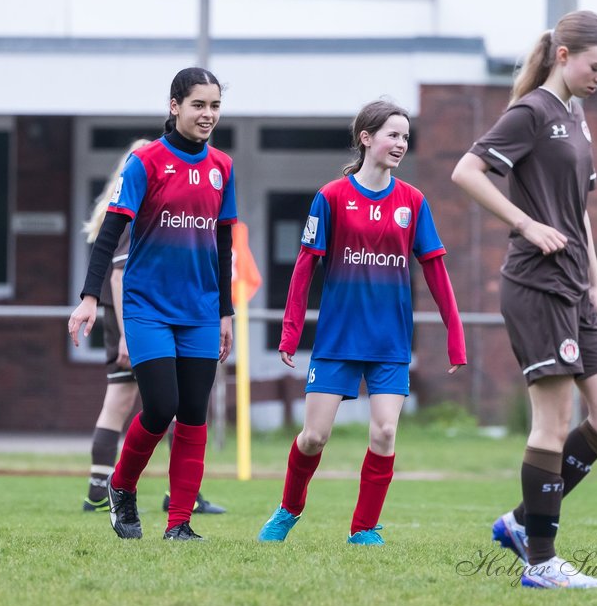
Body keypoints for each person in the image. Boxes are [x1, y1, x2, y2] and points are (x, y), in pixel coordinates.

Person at [450, 9, 597, 589]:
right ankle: (542, 562)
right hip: (537, 283)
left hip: (576, 285)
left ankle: (522, 522)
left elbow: (577, 209)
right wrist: (527, 225)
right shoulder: (530, 113)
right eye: (596, 66)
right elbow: (466, 171)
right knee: (552, 423)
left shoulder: (576, 120)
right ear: (563, 55)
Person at [257, 100, 466, 545]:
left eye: (406, 137)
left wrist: (455, 336)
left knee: (386, 430)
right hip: (337, 339)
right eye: (393, 134)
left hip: (390, 340)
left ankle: (363, 529)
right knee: (314, 437)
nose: (401, 144)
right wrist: (291, 331)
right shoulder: (331, 197)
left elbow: (435, 270)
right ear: (366, 138)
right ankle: (288, 510)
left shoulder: (413, 202)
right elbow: (303, 267)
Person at [68, 67, 236, 541]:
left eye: (215, 106)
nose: (208, 115)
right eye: (198, 105)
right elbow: (106, 239)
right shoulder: (145, 164)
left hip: (201, 310)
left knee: (194, 412)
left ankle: (179, 522)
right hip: (146, 307)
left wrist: (225, 313)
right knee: (161, 406)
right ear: (174, 106)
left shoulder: (222, 167)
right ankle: (122, 486)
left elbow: (224, 246)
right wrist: (87, 299)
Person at [79, 141, 225, 517]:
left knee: (161, 405)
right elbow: (117, 274)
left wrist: (224, 311)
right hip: (137, 318)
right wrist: (125, 331)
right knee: (155, 405)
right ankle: (114, 487)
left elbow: (221, 239)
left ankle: (173, 510)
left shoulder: (213, 173)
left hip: (157, 316)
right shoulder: (142, 203)